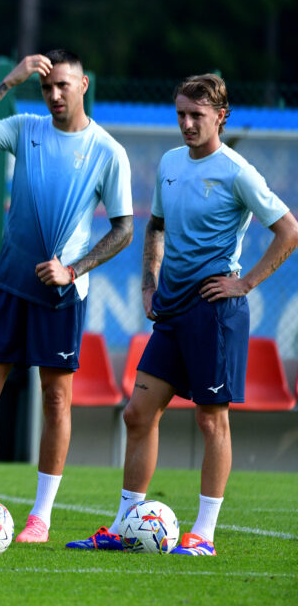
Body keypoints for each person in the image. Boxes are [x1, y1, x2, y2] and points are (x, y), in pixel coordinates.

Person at [67, 74, 298, 555]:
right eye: (181, 115)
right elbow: (155, 226)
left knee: (211, 421)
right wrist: (149, 285)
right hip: (171, 310)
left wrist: (246, 282)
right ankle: (126, 525)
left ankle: (204, 534)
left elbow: (288, 230)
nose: (188, 124)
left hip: (215, 311)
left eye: (197, 115)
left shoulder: (237, 171)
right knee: (137, 413)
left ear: (220, 116)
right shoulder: (171, 163)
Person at [0, 49, 134, 543]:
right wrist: (8, 84)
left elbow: (123, 229)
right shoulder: (25, 128)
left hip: (60, 295)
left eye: (64, 86)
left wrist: (73, 269)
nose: (54, 95)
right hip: (9, 285)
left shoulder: (107, 150)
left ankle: (41, 517)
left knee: (55, 400)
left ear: (83, 86)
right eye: (46, 86)